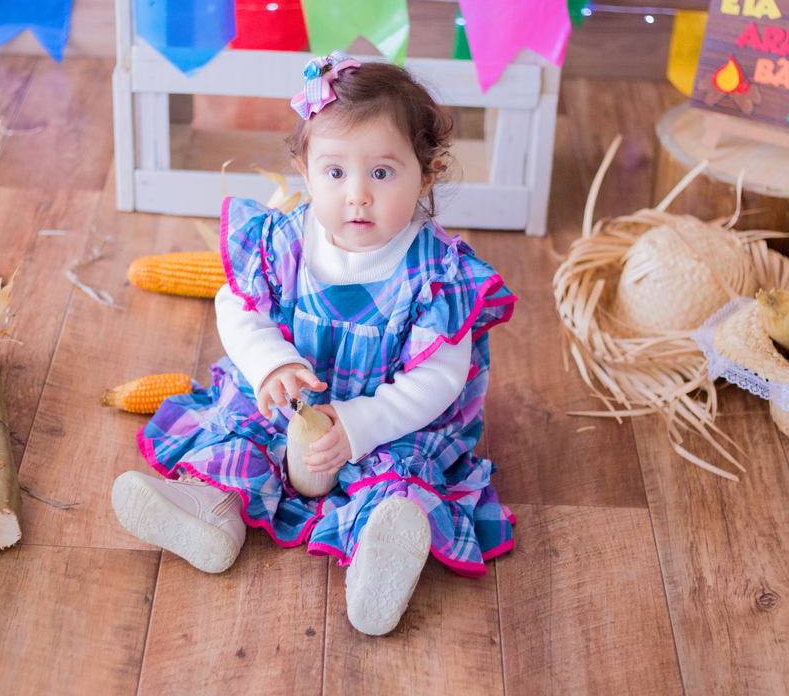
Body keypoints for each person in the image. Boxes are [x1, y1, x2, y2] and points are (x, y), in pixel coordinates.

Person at [112, 51, 516, 636]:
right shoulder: (284, 241)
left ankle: (377, 556)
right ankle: (212, 514)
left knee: (399, 473)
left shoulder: (436, 274)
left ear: (426, 174)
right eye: (335, 173)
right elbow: (237, 304)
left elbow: (437, 380)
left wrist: (358, 425)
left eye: (382, 173)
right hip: (290, 402)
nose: (357, 196)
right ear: (304, 170)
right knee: (242, 426)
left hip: (385, 419)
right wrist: (269, 362)